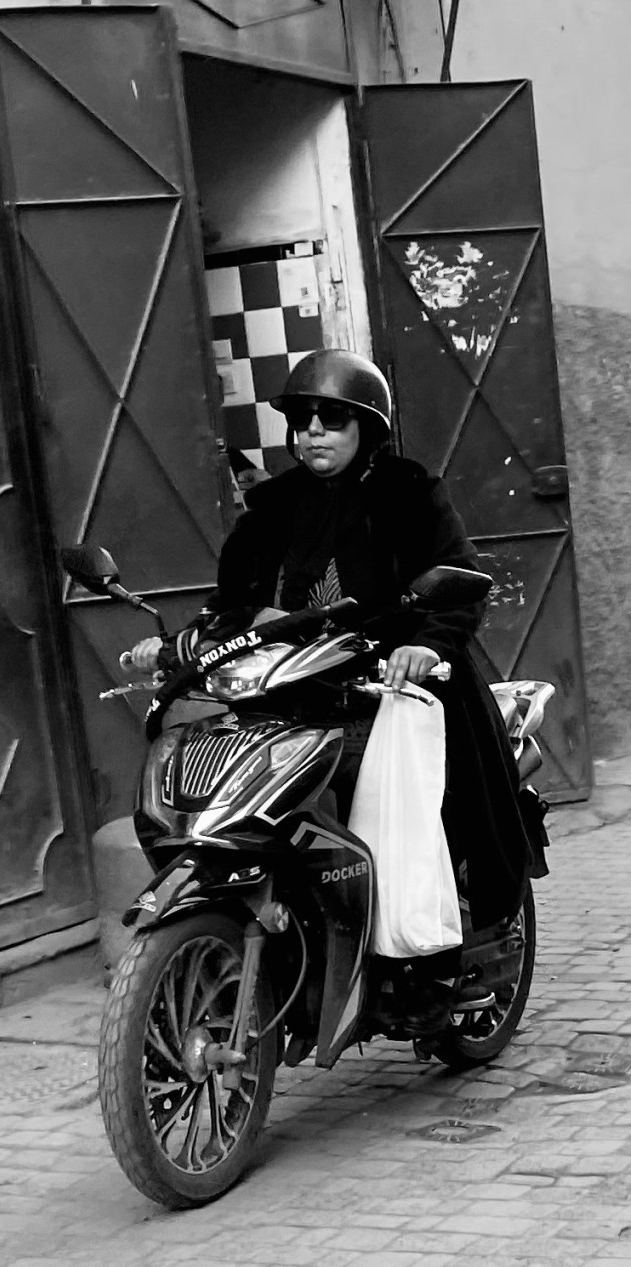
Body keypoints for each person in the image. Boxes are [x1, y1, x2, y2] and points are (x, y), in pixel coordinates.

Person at [129, 348, 543, 1031]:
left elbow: (459, 583)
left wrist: (423, 646)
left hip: (403, 686)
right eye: (302, 420)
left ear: (366, 428)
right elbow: (235, 605)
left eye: (332, 419)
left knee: (405, 812)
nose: (313, 432)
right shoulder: (272, 509)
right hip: (295, 689)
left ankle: (432, 962)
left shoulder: (409, 492)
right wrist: (180, 645)